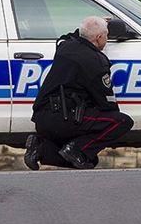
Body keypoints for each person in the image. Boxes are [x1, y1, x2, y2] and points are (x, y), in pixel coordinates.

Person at [24, 16, 134, 170]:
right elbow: (106, 101)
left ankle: (41, 148)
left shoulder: (64, 46)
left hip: (42, 118)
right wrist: (110, 121)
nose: (107, 39)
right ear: (99, 37)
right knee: (121, 122)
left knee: (90, 160)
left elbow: (72, 36)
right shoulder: (96, 61)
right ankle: (75, 149)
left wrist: (90, 26)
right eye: (106, 35)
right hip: (65, 118)